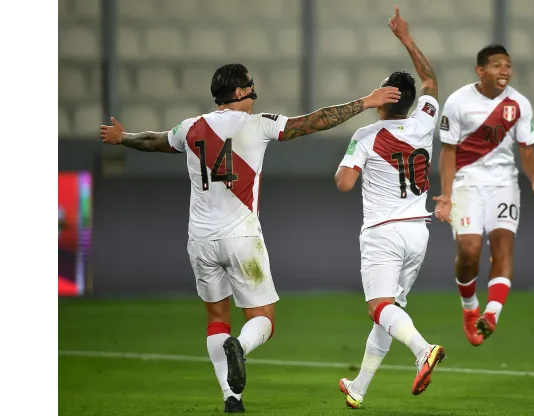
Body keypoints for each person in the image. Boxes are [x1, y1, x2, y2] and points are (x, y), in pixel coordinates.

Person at [99, 63, 401, 413]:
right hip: (242, 237)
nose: (255, 94)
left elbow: (153, 140)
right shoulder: (258, 125)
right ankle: (239, 348)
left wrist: (123, 137)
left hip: (200, 240)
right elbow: (314, 121)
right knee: (264, 321)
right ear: (240, 93)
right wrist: (365, 102)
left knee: (217, 320)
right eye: (250, 87)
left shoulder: (189, 129)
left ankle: (232, 398)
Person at [332, 7, 444, 409]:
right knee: (389, 311)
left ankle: (422, 350)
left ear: (383, 100)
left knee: (379, 308)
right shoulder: (423, 123)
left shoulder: (367, 134)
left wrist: (360, 131)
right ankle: (359, 386)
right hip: (419, 231)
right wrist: (407, 39)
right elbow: (430, 79)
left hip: (383, 232)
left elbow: (344, 183)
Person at [433, 45, 534, 347]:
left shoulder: (519, 104)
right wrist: (446, 196)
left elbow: (526, 150)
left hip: (504, 184)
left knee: (503, 246)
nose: (504, 71)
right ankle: (469, 306)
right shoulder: (458, 102)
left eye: (508, 65)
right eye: (497, 65)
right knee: (469, 250)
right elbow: (448, 152)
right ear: (480, 71)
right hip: (466, 183)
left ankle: (491, 314)